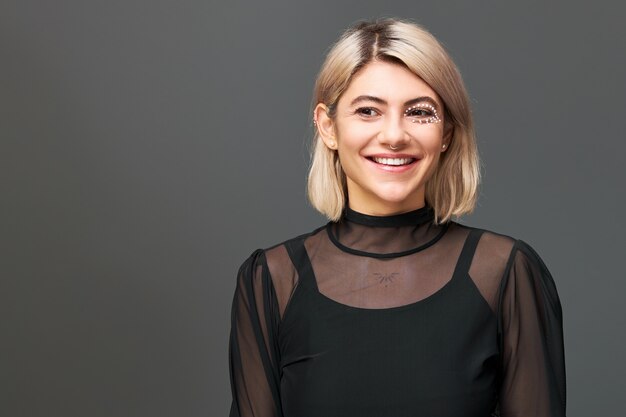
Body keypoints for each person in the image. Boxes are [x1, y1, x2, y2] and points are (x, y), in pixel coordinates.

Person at [228, 18, 566, 417]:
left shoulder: (504, 273)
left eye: (419, 113)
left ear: (447, 134)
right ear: (328, 126)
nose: (394, 135)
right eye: (368, 110)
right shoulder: (272, 281)